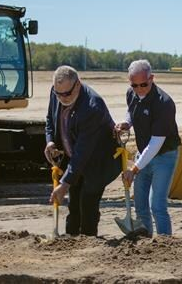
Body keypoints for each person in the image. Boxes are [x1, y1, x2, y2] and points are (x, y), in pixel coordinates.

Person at [44, 65, 120, 236]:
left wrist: (64, 184)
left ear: (77, 84)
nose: (62, 98)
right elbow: (50, 119)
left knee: (87, 204)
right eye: (58, 94)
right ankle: (71, 240)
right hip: (75, 158)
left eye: (67, 94)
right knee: (74, 205)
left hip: (98, 161)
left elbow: (83, 151)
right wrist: (50, 142)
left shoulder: (92, 107)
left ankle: (89, 241)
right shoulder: (57, 91)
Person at [114, 60, 180, 236]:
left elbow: (156, 143)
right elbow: (132, 110)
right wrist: (127, 122)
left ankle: (165, 243)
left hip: (164, 156)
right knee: (140, 204)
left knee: (156, 205)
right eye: (134, 85)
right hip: (144, 154)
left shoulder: (164, 103)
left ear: (152, 78)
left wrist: (134, 169)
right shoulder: (132, 93)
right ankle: (145, 241)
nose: (139, 89)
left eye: (143, 84)